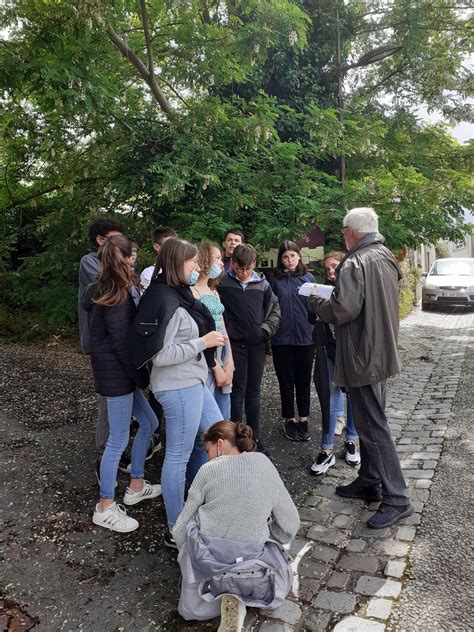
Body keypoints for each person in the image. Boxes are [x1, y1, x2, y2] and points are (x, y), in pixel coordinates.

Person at [308, 207, 413, 528]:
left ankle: (397, 497)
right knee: (371, 422)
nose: (343, 236)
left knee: (373, 427)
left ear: (351, 232)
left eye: (343, 232)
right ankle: (369, 479)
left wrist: (315, 301)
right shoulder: (384, 255)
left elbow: (343, 308)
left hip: (361, 355)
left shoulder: (356, 261)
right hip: (380, 351)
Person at [128, 238, 225, 548]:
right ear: (175, 263)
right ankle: (176, 529)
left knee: (220, 435)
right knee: (178, 458)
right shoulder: (162, 298)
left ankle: (215, 502)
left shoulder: (178, 294)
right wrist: (203, 344)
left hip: (194, 382)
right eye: (192, 262)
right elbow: (160, 355)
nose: (197, 267)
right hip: (176, 386)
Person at [172, 421, 300, 631]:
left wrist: (185, 555)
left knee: (192, 527)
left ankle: (219, 597)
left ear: (220, 444)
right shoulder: (264, 464)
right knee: (276, 563)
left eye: (208, 451)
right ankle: (241, 594)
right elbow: (291, 523)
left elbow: (181, 526)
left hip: (209, 559)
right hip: (250, 558)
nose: (207, 456)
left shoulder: (207, 470)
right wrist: (271, 536)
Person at [83, 236, 161, 533]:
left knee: (150, 422)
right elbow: (121, 344)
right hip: (117, 377)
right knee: (116, 440)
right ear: (126, 258)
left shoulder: (117, 285)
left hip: (120, 375)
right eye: (133, 254)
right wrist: (140, 376)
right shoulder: (115, 291)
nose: (136, 258)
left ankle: (136, 484)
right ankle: (104, 506)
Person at [217, 244, 281, 452]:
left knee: (253, 393)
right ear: (233, 263)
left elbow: (275, 311)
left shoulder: (263, 285)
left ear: (254, 264)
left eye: (248, 268)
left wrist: (264, 331)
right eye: (239, 268)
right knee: (236, 392)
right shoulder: (222, 283)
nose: (243, 273)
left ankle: (254, 439)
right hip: (233, 345)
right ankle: (235, 439)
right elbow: (217, 311)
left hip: (257, 345)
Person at [78, 216, 123, 481]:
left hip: (118, 341)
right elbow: (107, 284)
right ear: (101, 240)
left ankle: (116, 452)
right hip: (101, 343)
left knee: (122, 401)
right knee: (107, 402)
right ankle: (102, 456)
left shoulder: (116, 263)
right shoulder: (90, 262)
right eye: (116, 239)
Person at [310, 251, 360, 475]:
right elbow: (313, 318)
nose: (331, 271)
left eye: (335, 266)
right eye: (327, 268)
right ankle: (326, 449)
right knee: (329, 400)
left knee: (352, 397)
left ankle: (351, 440)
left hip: (350, 352)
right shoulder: (320, 289)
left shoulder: (353, 288)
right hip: (327, 350)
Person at [269, 241, 316, 441]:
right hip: (282, 339)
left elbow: (315, 306)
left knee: (303, 380)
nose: (289, 260)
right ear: (281, 259)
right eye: (285, 257)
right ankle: (289, 418)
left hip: (305, 337)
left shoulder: (308, 278)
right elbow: (269, 307)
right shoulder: (274, 280)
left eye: (293, 256)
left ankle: (303, 417)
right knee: (286, 380)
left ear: (299, 257)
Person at [191, 242, 234, 418]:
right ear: (204, 259)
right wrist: (215, 366)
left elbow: (223, 328)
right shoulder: (191, 292)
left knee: (224, 415)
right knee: (207, 420)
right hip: (205, 358)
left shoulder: (212, 290)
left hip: (221, 352)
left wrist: (230, 361)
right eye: (217, 258)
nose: (221, 263)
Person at [140, 226, 177, 291]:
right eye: (169, 245)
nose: (174, 249)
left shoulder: (182, 269)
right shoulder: (148, 273)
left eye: (176, 245)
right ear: (157, 247)